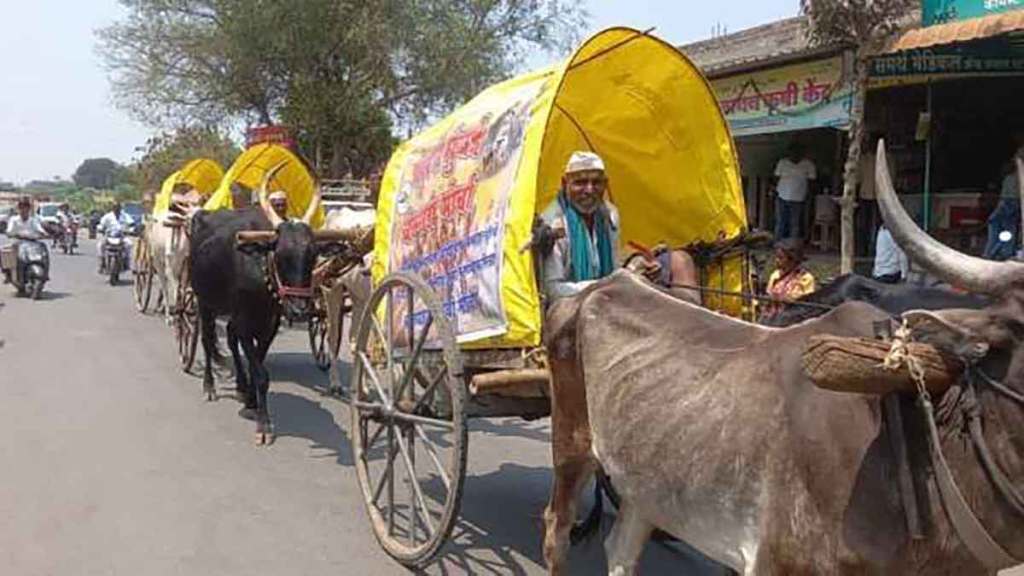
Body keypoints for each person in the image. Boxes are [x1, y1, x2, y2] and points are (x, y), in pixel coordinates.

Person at [539, 151, 698, 300]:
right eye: (580, 183)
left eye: (596, 183)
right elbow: (553, 290)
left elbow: (613, 267)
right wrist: (609, 284)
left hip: (612, 292)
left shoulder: (609, 214)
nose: (589, 190)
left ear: (605, 184)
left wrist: (638, 267)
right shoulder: (553, 224)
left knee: (681, 260)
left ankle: (696, 315)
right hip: (576, 303)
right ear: (564, 183)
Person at [761, 238, 816, 320]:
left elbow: (807, 303)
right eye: (776, 257)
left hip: (795, 319)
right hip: (774, 318)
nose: (777, 260)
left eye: (781, 258)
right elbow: (768, 297)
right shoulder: (775, 275)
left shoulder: (805, 278)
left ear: (792, 260)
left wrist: (787, 299)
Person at [773, 142, 817, 240]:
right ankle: (777, 244)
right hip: (782, 196)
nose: (795, 154)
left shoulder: (808, 164)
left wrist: (808, 195)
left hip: (798, 198)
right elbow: (776, 178)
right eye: (793, 152)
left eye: (798, 152)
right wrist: (774, 190)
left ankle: (792, 245)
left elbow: (812, 182)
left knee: (795, 223)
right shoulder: (782, 162)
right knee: (780, 222)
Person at [3, 198, 48, 287]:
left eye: (26, 208)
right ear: (18, 209)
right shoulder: (14, 219)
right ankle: (8, 273)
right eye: (22, 208)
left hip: (33, 243)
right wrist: (11, 234)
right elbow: (9, 230)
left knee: (43, 249)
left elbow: (39, 228)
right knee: (5, 252)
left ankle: (45, 272)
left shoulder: (33, 220)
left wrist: (44, 233)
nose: (24, 210)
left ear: (29, 209)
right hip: (18, 242)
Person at [983, 157, 1022, 261]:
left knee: (1001, 230)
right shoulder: (1013, 178)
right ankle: (1001, 253)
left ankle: (993, 254)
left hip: (1009, 204)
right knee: (1007, 231)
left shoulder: (1011, 178)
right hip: (1011, 205)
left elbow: (1005, 199)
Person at [97, 202, 135, 272]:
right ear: (112, 208)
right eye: (115, 208)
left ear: (120, 208)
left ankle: (127, 262)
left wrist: (131, 230)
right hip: (109, 236)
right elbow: (101, 224)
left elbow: (131, 223)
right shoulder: (107, 216)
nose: (116, 210)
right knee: (100, 245)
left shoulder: (125, 216)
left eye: (118, 208)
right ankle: (102, 262)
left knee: (129, 244)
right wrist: (100, 228)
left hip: (121, 236)